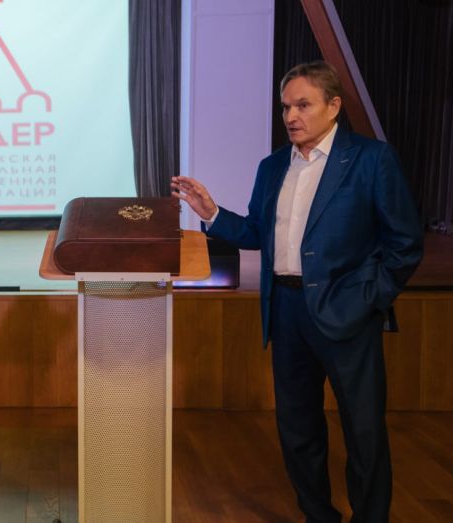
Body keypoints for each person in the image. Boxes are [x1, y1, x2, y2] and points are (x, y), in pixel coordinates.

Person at [172, 61, 422, 522]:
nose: (291, 116)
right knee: (298, 429)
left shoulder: (371, 160)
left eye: (303, 105)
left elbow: (405, 243)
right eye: (286, 106)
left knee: (364, 432)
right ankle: (317, 515)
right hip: (285, 311)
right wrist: (212, 213)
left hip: (348, 313)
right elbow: (255, 232)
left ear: (334, 106)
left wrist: (369, 298)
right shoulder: (272, 167)